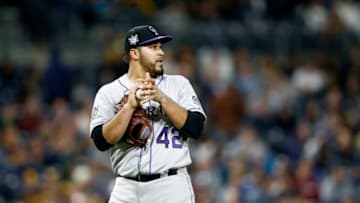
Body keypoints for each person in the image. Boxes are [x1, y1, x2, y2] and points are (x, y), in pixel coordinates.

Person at [89, 25, 207, 203]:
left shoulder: (179, 84)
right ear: (134, 53)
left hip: (170, 185)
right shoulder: (109, 92)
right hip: (126, 188)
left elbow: (196, 128)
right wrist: (128, 108)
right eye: (153, 48)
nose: (161, 53)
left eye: (160, 47)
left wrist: (163, 99)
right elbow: (101, 141)